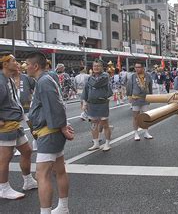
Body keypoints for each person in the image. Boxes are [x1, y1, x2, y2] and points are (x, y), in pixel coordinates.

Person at [26, 51, 74, 213]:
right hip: (51, 131)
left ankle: (46, 211)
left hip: (49, 132)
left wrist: (62, 127)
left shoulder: (44, 81)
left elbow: (56, 106)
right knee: (59, 170)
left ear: (35, 66)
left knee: (42, 175)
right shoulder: (46, 79)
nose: (25, 67)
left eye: (27, 64)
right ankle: (63, 207)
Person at [0, 52, 37, 200]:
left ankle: (28, 181)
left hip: (15, 122)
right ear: (5, 64)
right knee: (5, 158)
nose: (17, 63)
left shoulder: (8, 79)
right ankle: (3, 188)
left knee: (27, 151)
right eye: (14, 61)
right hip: (7, 124)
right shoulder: (1, 82)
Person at [81, 59, 113, 152]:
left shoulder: (105, 76)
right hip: (92, 104)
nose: (96, 68)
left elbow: (96, 84)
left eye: (98, 66)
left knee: (105, 124)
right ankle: (96, 143)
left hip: (102, 103)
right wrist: (84, 102)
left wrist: (89, 78)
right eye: (94, 66)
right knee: (93, 124)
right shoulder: (89, 78)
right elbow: (85, 91)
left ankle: (107, 143)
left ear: (102, 67)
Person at [126, 62, 154, 141]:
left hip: (145, 98)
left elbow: (150, 86)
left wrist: (151, 96)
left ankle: (146, 132)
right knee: (135, 116)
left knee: (145, 116)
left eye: (138, 67)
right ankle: (136, 133)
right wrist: (129, 96)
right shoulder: (133, 77)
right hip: (135, 98)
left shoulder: (148, 76)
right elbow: (129, 87)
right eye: (136, 67)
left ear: (143, 68)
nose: (137, 69)